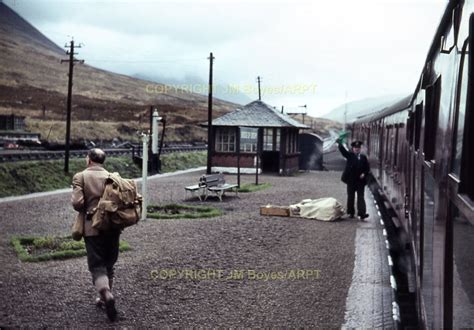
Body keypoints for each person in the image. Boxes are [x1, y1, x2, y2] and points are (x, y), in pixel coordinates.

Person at [71, 148, 119, 322]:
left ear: (89, 160)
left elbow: (77, 203)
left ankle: (106, 295)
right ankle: (105, 298)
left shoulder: (81, 176)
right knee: (109, 264)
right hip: (113, 227)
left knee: (97, 265)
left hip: (92, 228)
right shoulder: (113, 176)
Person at [336, 139, 370, 220]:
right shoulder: (349, 155)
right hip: (351, 180)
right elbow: (343, 151)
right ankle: (351, 212)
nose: (357, 149)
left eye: (358, 147)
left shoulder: (363, 157)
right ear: (353, 149)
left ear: (360, 149)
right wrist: (340, 144)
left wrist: (364, 174)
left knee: (360, 197)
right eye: (355, 148)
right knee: (350, 197)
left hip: (360, 181)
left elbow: (367, 168)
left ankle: (362, 213)